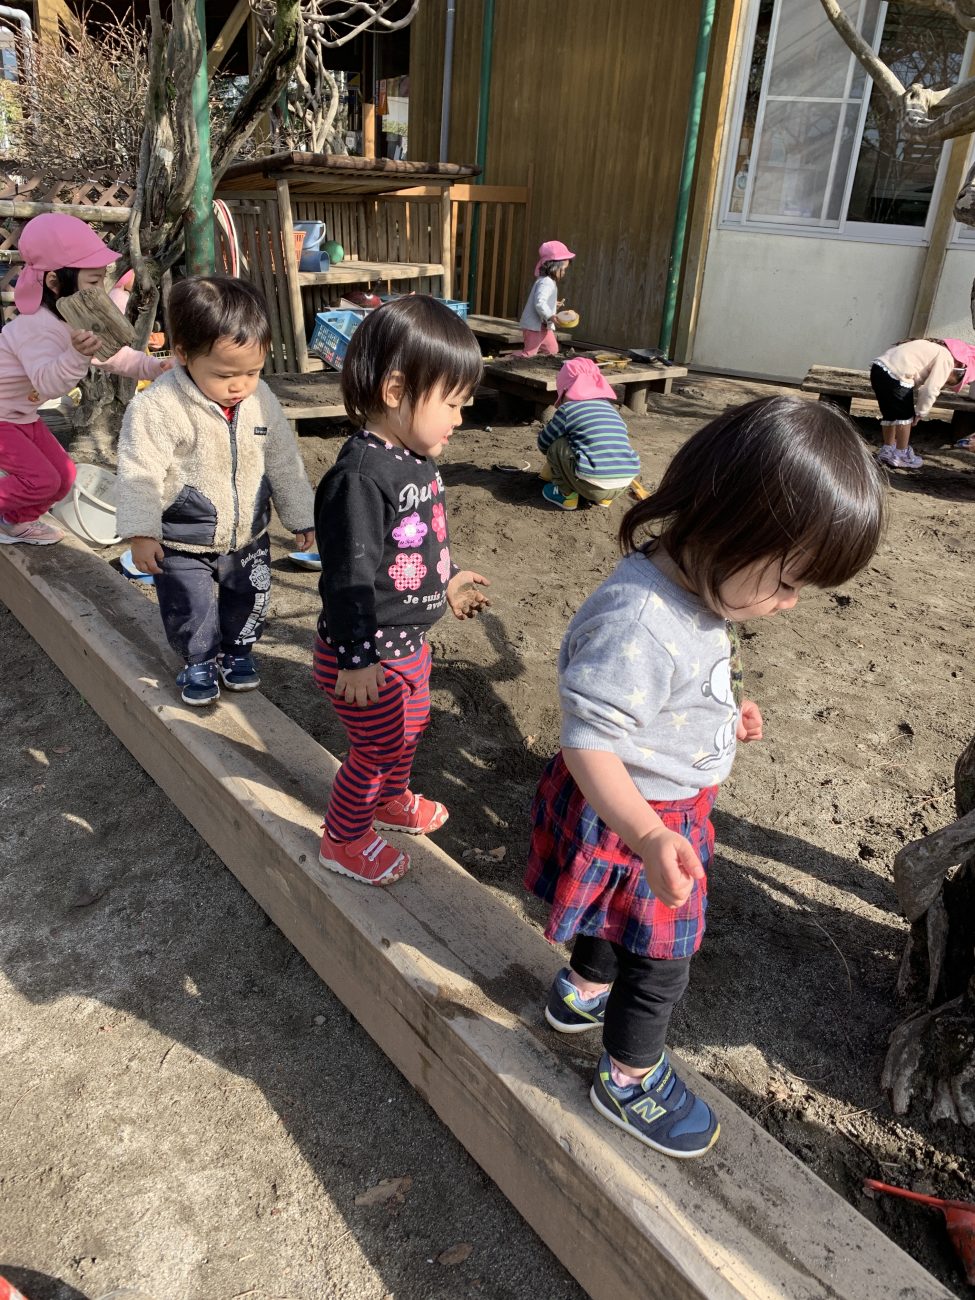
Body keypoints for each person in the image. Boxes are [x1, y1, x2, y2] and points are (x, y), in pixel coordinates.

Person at [525, 395, 886, 1158]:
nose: (788, 604)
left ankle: (583, 991)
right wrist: (648, 836)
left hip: (657, 812)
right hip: (636, 816)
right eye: (786, 582)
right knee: (661, 963)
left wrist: (724, 712)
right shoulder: (639, 622)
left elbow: (681, 684)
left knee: (613, 924)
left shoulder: (694, 584)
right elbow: (589, 742)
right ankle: (626, 1077)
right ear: (729, 528)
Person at [314, 296, 490, 886]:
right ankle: (343, 839)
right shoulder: (360, 478)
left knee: (411, 730)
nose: (459, 419)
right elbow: (347, 578)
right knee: (376, 749)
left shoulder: (416, 460)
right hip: (366, 655)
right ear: (395, 390)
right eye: (452, 404)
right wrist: (356, 658)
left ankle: (391, 801)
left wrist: (450, 578)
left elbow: (419, 541)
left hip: (408, 645)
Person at [116, 276, 315, 706]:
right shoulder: (158, 407)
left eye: (252, 371)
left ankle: (237, 651)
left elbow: (283, 458)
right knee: (190, 604)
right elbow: (139, 471)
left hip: (248, 533)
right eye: (225, 374)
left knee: (250, 596)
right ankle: (199, 660)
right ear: (183, 354)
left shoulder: (260, 399)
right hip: (182, 536)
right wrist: (142, 533)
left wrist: (302, 516)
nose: (240, 384)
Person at [0, 213, 170, 546]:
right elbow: (49, 385)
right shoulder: (34, 327)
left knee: (64, 478)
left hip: (21, 416)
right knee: (41, 481)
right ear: (54, 282)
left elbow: (112, 355)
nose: (100, 291)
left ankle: (13, 521)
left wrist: (154, 367)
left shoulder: (71, 318)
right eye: (92, 282)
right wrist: (77, 355)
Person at [538, 357, 640, 510]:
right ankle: (604, 500)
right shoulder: (610, 409)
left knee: (557, 445)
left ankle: (565, 495)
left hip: (593, 484)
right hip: (623, 483)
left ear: (564, 390)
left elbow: (544, 442)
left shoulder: (568, 409)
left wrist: (554, 460)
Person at [870, 336, 975, 468]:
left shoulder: (931, 347)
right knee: (905, 417)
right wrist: (921, 412)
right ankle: (902, 453)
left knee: (890, 414)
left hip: (878, 369)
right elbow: (930, 389)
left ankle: (888, 449)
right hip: (898, 376)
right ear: (961, 365)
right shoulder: (946, 358)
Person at [514, 239, 575, 358]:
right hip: (535, 327)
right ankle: (509, 360)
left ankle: (534, 364)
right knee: (529, 354)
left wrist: (553, 303)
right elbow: (539, 302)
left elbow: (542, 300)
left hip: (543, 326)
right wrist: (551, 315)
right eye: (562, 269)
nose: (563, 273)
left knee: (552, 350)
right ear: (553, 267)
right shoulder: (546, 282)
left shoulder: (547, 281)